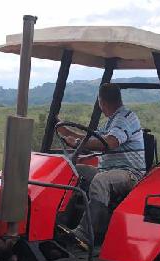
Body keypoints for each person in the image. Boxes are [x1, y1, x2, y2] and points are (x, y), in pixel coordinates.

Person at [57, 83, 145, 247]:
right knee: (73, 170)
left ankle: (86, 235)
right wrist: (66, 132)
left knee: (100, 181)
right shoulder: (112, 121)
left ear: (101, 102)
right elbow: (93, 139)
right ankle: (60, 222)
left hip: (129, 173)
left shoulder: (125, 118)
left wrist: (77, 142)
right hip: (109, 170)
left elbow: (110, 142)